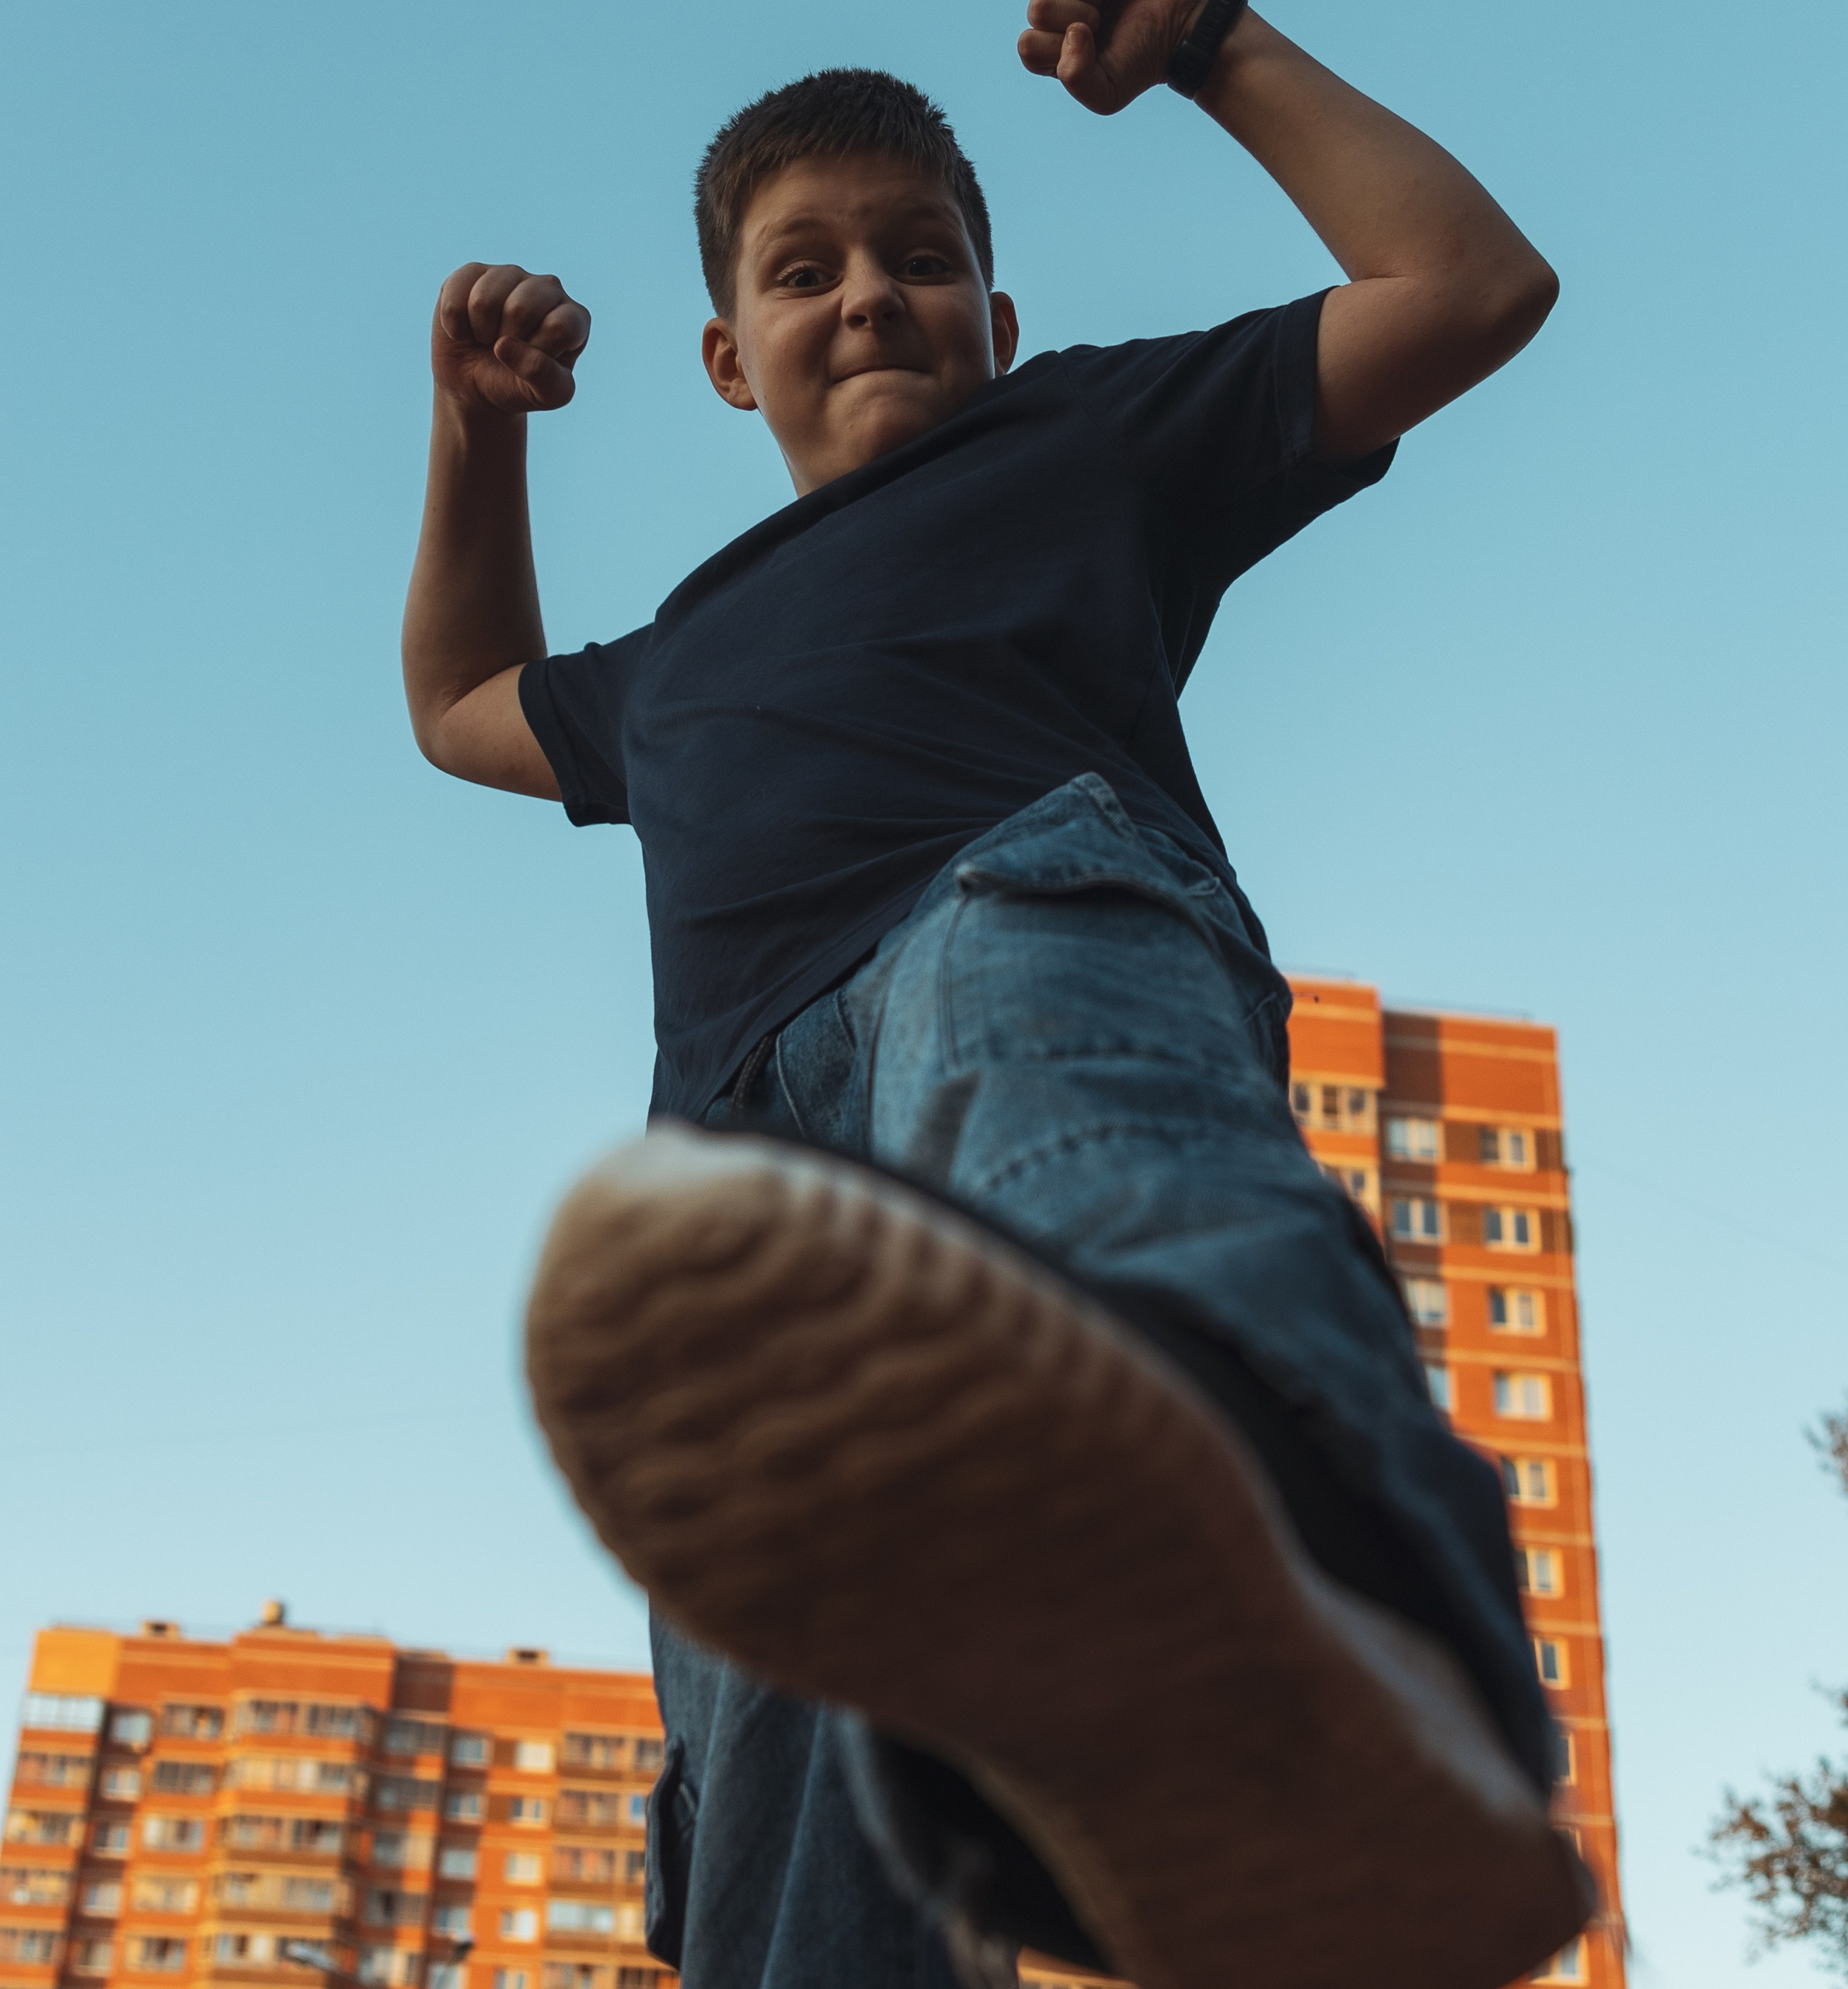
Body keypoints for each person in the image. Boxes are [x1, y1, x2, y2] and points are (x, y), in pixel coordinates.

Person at [403, 3, 1587, 1985]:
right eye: (806, 271)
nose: (868, 296)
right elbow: (454, 703)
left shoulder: (1089, 434)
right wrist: (474, 427)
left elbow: (1464, 288)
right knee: (787, 1692)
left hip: (1008, 901)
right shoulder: (665, 657)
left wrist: (1215, 48)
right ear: (726, 357)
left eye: (918, 258)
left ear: (997, 316)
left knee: (1044, 1101)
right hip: (751, 1162)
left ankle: (1331, 1649)